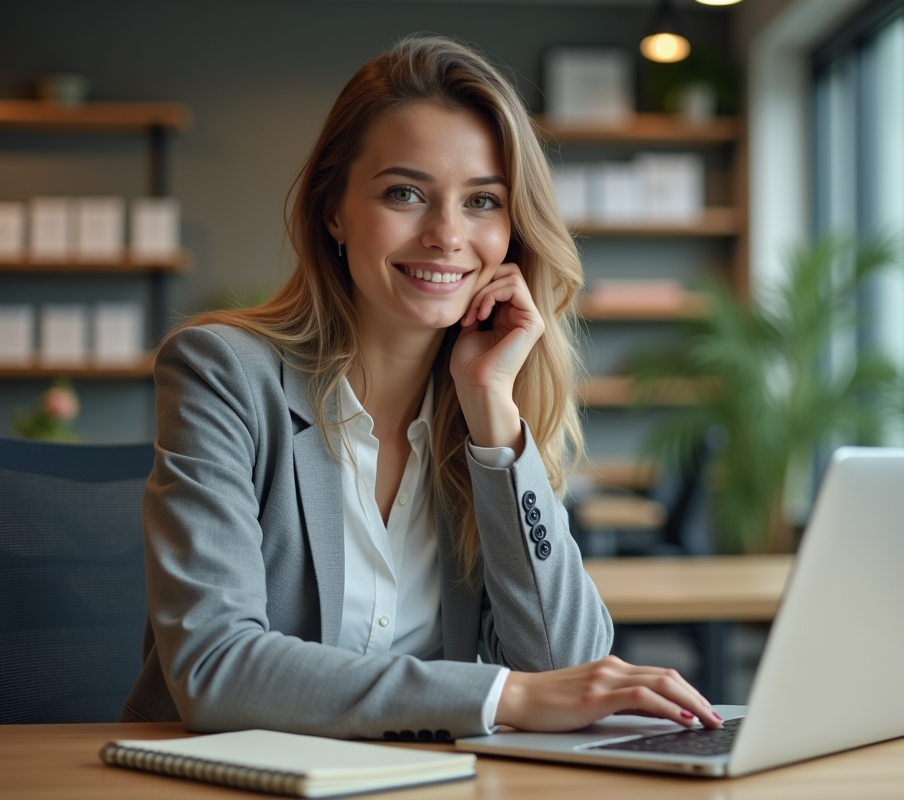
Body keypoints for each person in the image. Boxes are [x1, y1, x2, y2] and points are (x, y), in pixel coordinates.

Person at [121, 35, 723, 740]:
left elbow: (567, 662)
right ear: (334, 211)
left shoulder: (486, 411)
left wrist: (493, 416)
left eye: (482, 201)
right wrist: (503, 698)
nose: (446, 234)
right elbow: (214, 668)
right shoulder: (223, 373)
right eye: (405, 193)